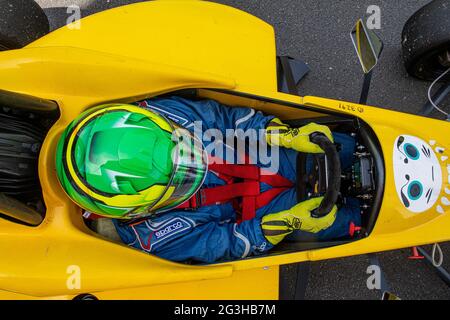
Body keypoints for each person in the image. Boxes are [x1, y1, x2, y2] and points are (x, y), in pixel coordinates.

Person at [55, 96, 361, 263]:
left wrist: (285, 134)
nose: (193, 165)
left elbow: (224, 119)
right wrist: (287, 222)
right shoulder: (153, 236)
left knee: (346, 145)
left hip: (271, 152)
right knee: (351, 222)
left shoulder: (161, 114)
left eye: (181, 148)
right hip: (266, 214)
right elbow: (224, 244)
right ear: (140, 209)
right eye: (180, 177)